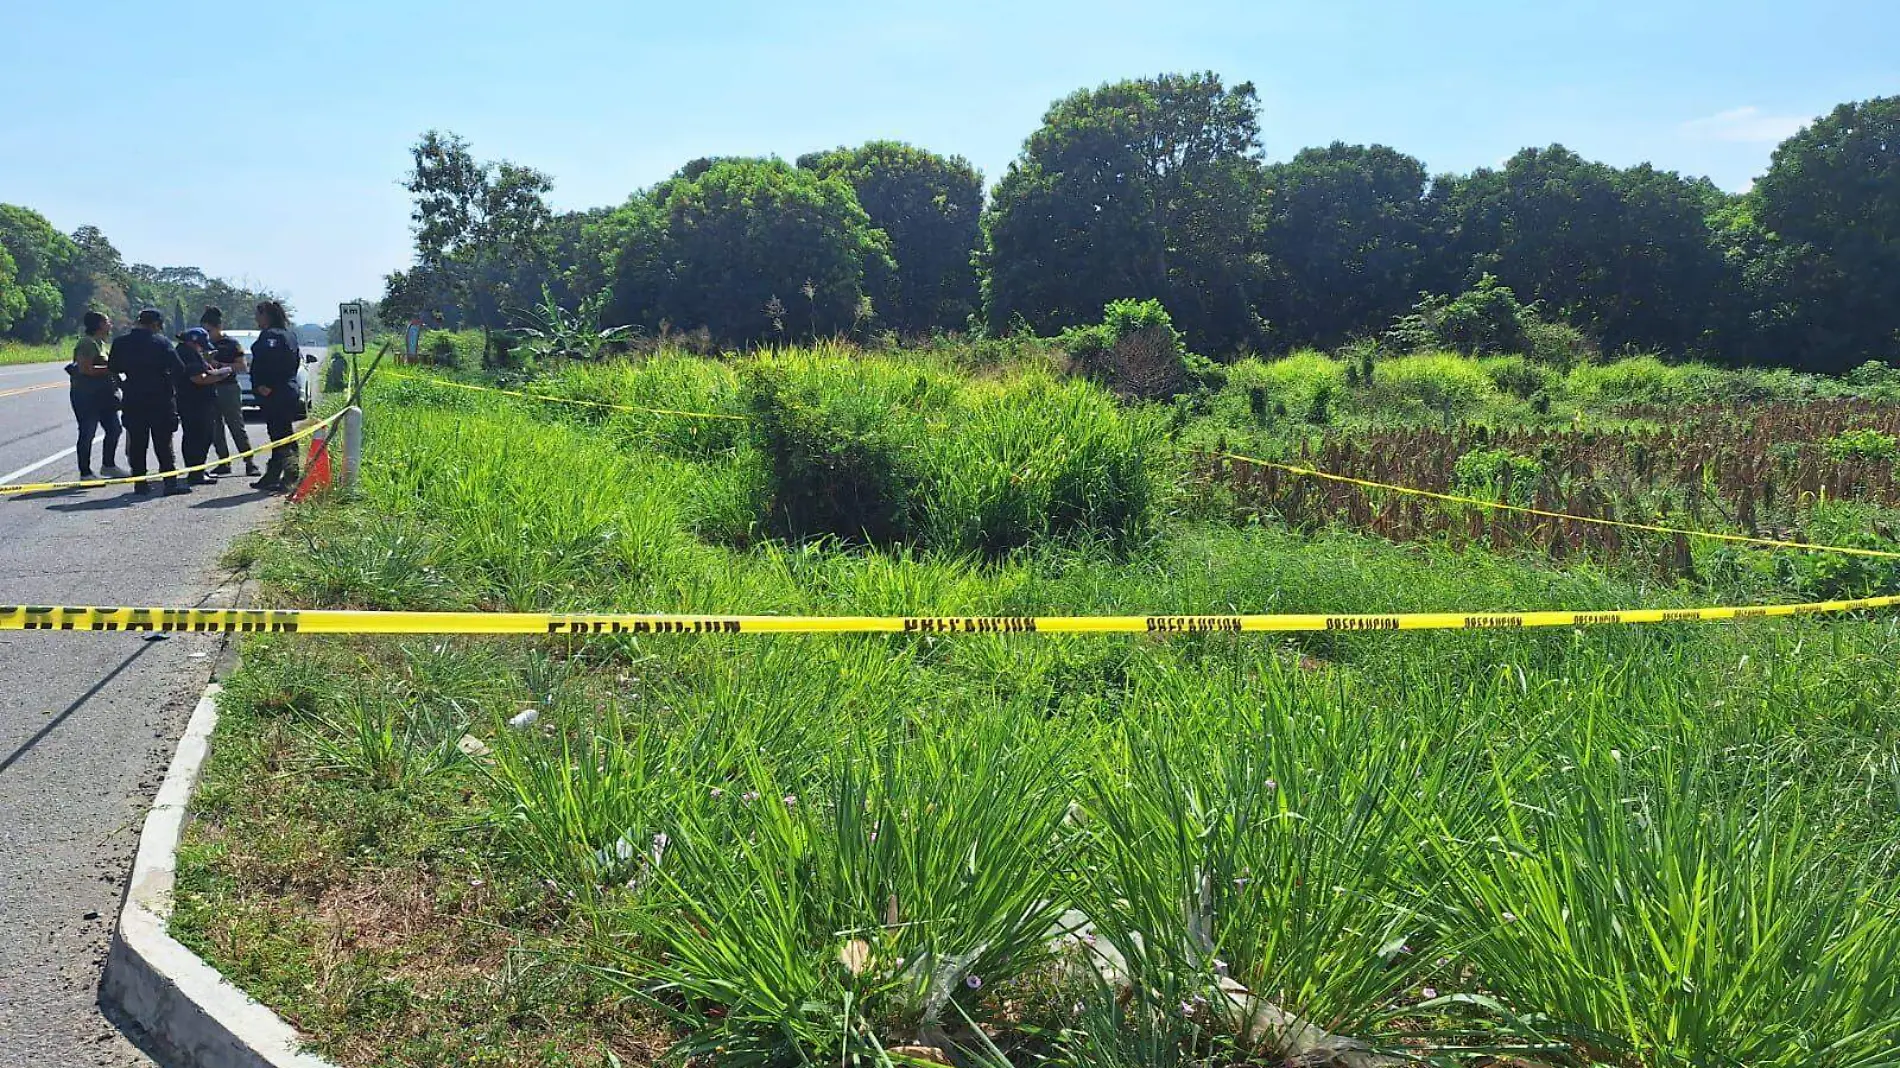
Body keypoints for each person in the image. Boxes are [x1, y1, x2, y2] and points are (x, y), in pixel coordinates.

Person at [108, 308, 191, 496]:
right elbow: (179, 368)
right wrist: (170, 384)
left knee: (137, 442)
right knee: (163, 442)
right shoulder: (161, 342)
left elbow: (112, 368)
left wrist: (124, 385)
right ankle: (170, 483)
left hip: (133, 396)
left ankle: (140, 483)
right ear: (155, 325)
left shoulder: (121, 343)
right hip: (160, 398)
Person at [249, 300, 303, 491]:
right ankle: (274, 474)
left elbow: (273, 363)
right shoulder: (289, 334)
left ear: (266, 315)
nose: (256, 318)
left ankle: (290, 476)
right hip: (286, 390)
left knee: (282, 435)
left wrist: (266, 385)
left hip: (277, 392)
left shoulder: (272, 336)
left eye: (258, 314)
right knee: (282, 435)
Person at [200, 307, 258, 476]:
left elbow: (242, 366)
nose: (206, 333)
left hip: (228, 388)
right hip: (209, 387)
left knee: (236, 426)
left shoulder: (231, 343)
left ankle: (249, 462)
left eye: (209, 330)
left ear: (218, 327)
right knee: (215, 428)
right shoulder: (202, 343)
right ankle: (223, 461)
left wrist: (221, 365)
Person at [173, 327, 235, 485]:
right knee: (200, 437)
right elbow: (198, 379)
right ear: (192, 342)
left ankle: (196, 470)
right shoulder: (188, 354)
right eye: (200, 345)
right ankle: (196, 472)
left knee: (195, 436)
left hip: (191, 401)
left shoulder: (184, 351)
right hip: (196, 402)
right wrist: (221, 376)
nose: (201, 347)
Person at [69, 311, 126, 480]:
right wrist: (112, 368)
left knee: (114, 429)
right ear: (100, 325)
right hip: (86, 395)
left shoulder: (100, 343)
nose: (110, 325)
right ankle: (85, 473)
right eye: (108, 321)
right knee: (87, 432)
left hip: (104, 395)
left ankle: (108, 466)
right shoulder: (87, 343)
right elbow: (85, 369)